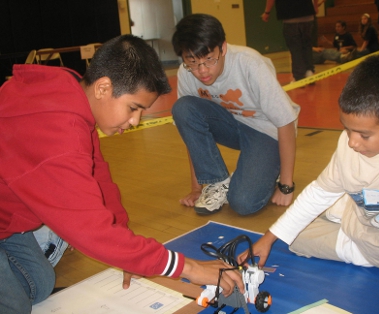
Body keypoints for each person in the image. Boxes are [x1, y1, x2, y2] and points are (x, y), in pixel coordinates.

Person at [0, 34, 244, 313]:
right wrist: (189, 268)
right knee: (15, 306)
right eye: (133, 108)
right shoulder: (57, 132)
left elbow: (99, 178)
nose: (135, 121)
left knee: (41, 284)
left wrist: (129, 255)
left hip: (8, 224)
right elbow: (90, 229)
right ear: (103, 88)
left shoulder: (74, 97)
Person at [238, 55, 379, 313]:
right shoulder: (354, 142)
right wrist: (268, 238)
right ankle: (351, 208)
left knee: (302, 237)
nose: (351, 143)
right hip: (360, 220)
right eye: (347, 129)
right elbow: (318, 193)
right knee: (295, 232)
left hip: (378, 250)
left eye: (364, 135)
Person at [171, 14, 300, 216]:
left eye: (209, 60)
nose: (202, 70)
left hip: (266, 130)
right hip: (231, 124)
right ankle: (217, 182)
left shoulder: (250, 64)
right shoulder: (186, 73)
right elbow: (191, 133)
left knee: (243, 203)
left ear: (222, 48)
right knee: (182, 108)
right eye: (193, 62)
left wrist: (286, 185)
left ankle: (268, 170)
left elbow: (286, 123)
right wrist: (198, 188)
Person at [262, 0, 316, 81]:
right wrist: (315, 6)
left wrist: (267, 12)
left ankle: (299, 75)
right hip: (307, 14)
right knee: (307, 45)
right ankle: (309, 71)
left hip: (290, 15)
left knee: (295, 47)